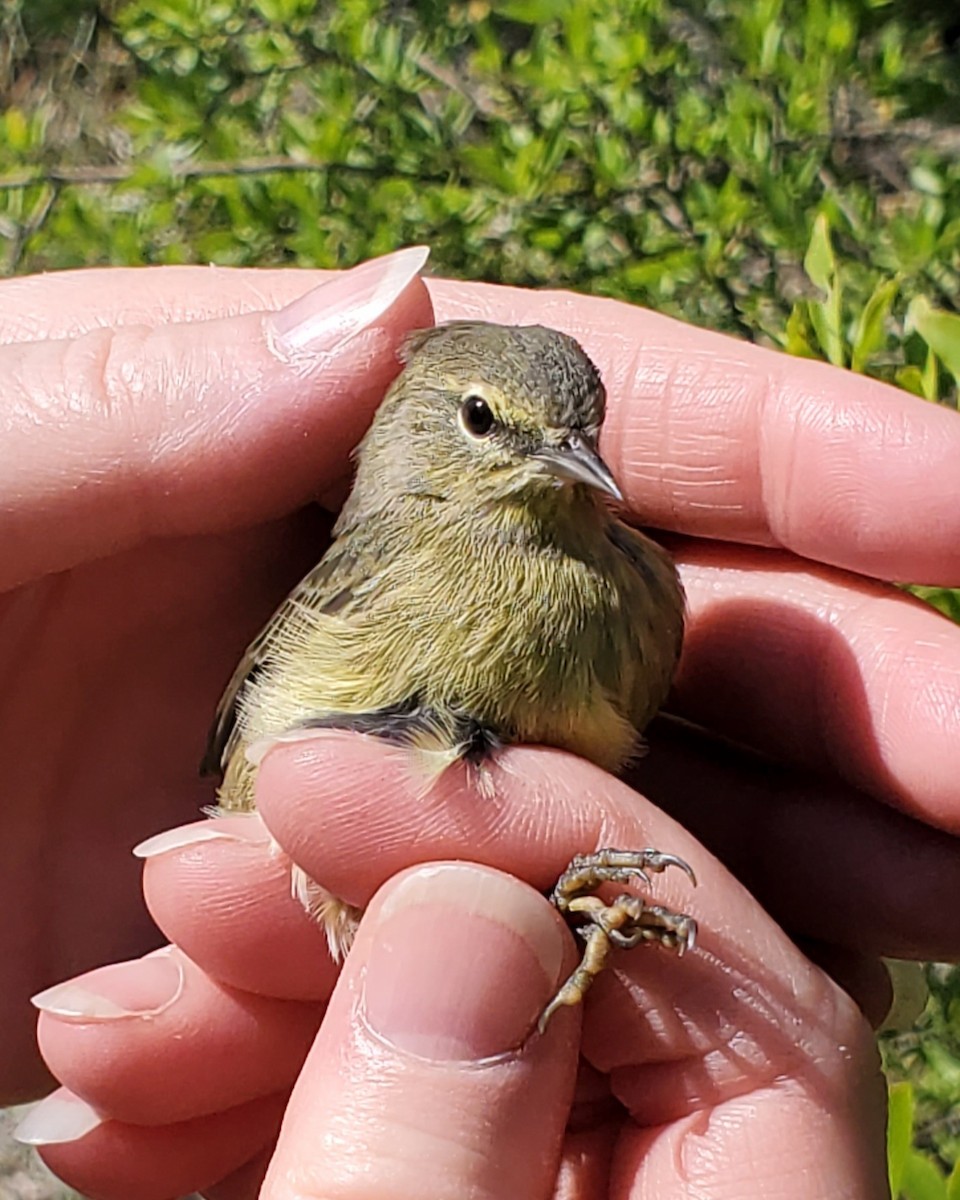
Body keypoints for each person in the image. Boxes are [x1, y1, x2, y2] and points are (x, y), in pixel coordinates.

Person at [3, 248, 959, 1199]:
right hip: (291, 870)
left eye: (580, 437)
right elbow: (254, 712)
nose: (567, 461)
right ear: (430, 428)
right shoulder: (404, 560)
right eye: (485, 425)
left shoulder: (641, 591)